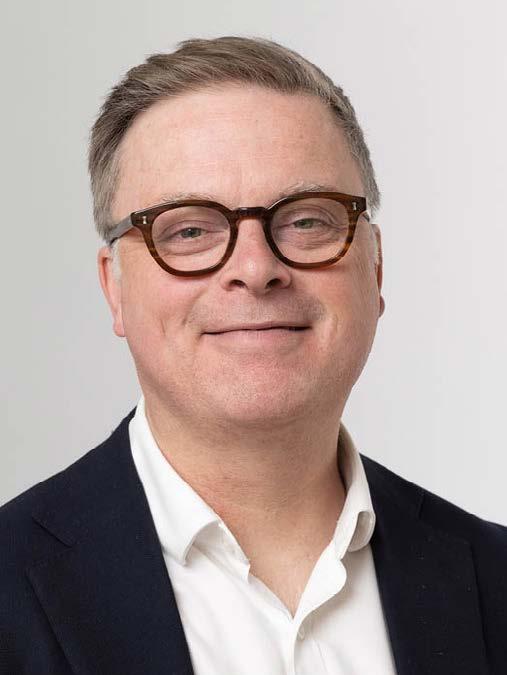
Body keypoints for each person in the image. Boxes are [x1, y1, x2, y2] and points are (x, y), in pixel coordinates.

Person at [0, 35, 505, 675]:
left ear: (375, 269)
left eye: (307, 220)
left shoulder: (494, 578)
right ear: (115, 289)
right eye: (189, 229)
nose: (256, 268)